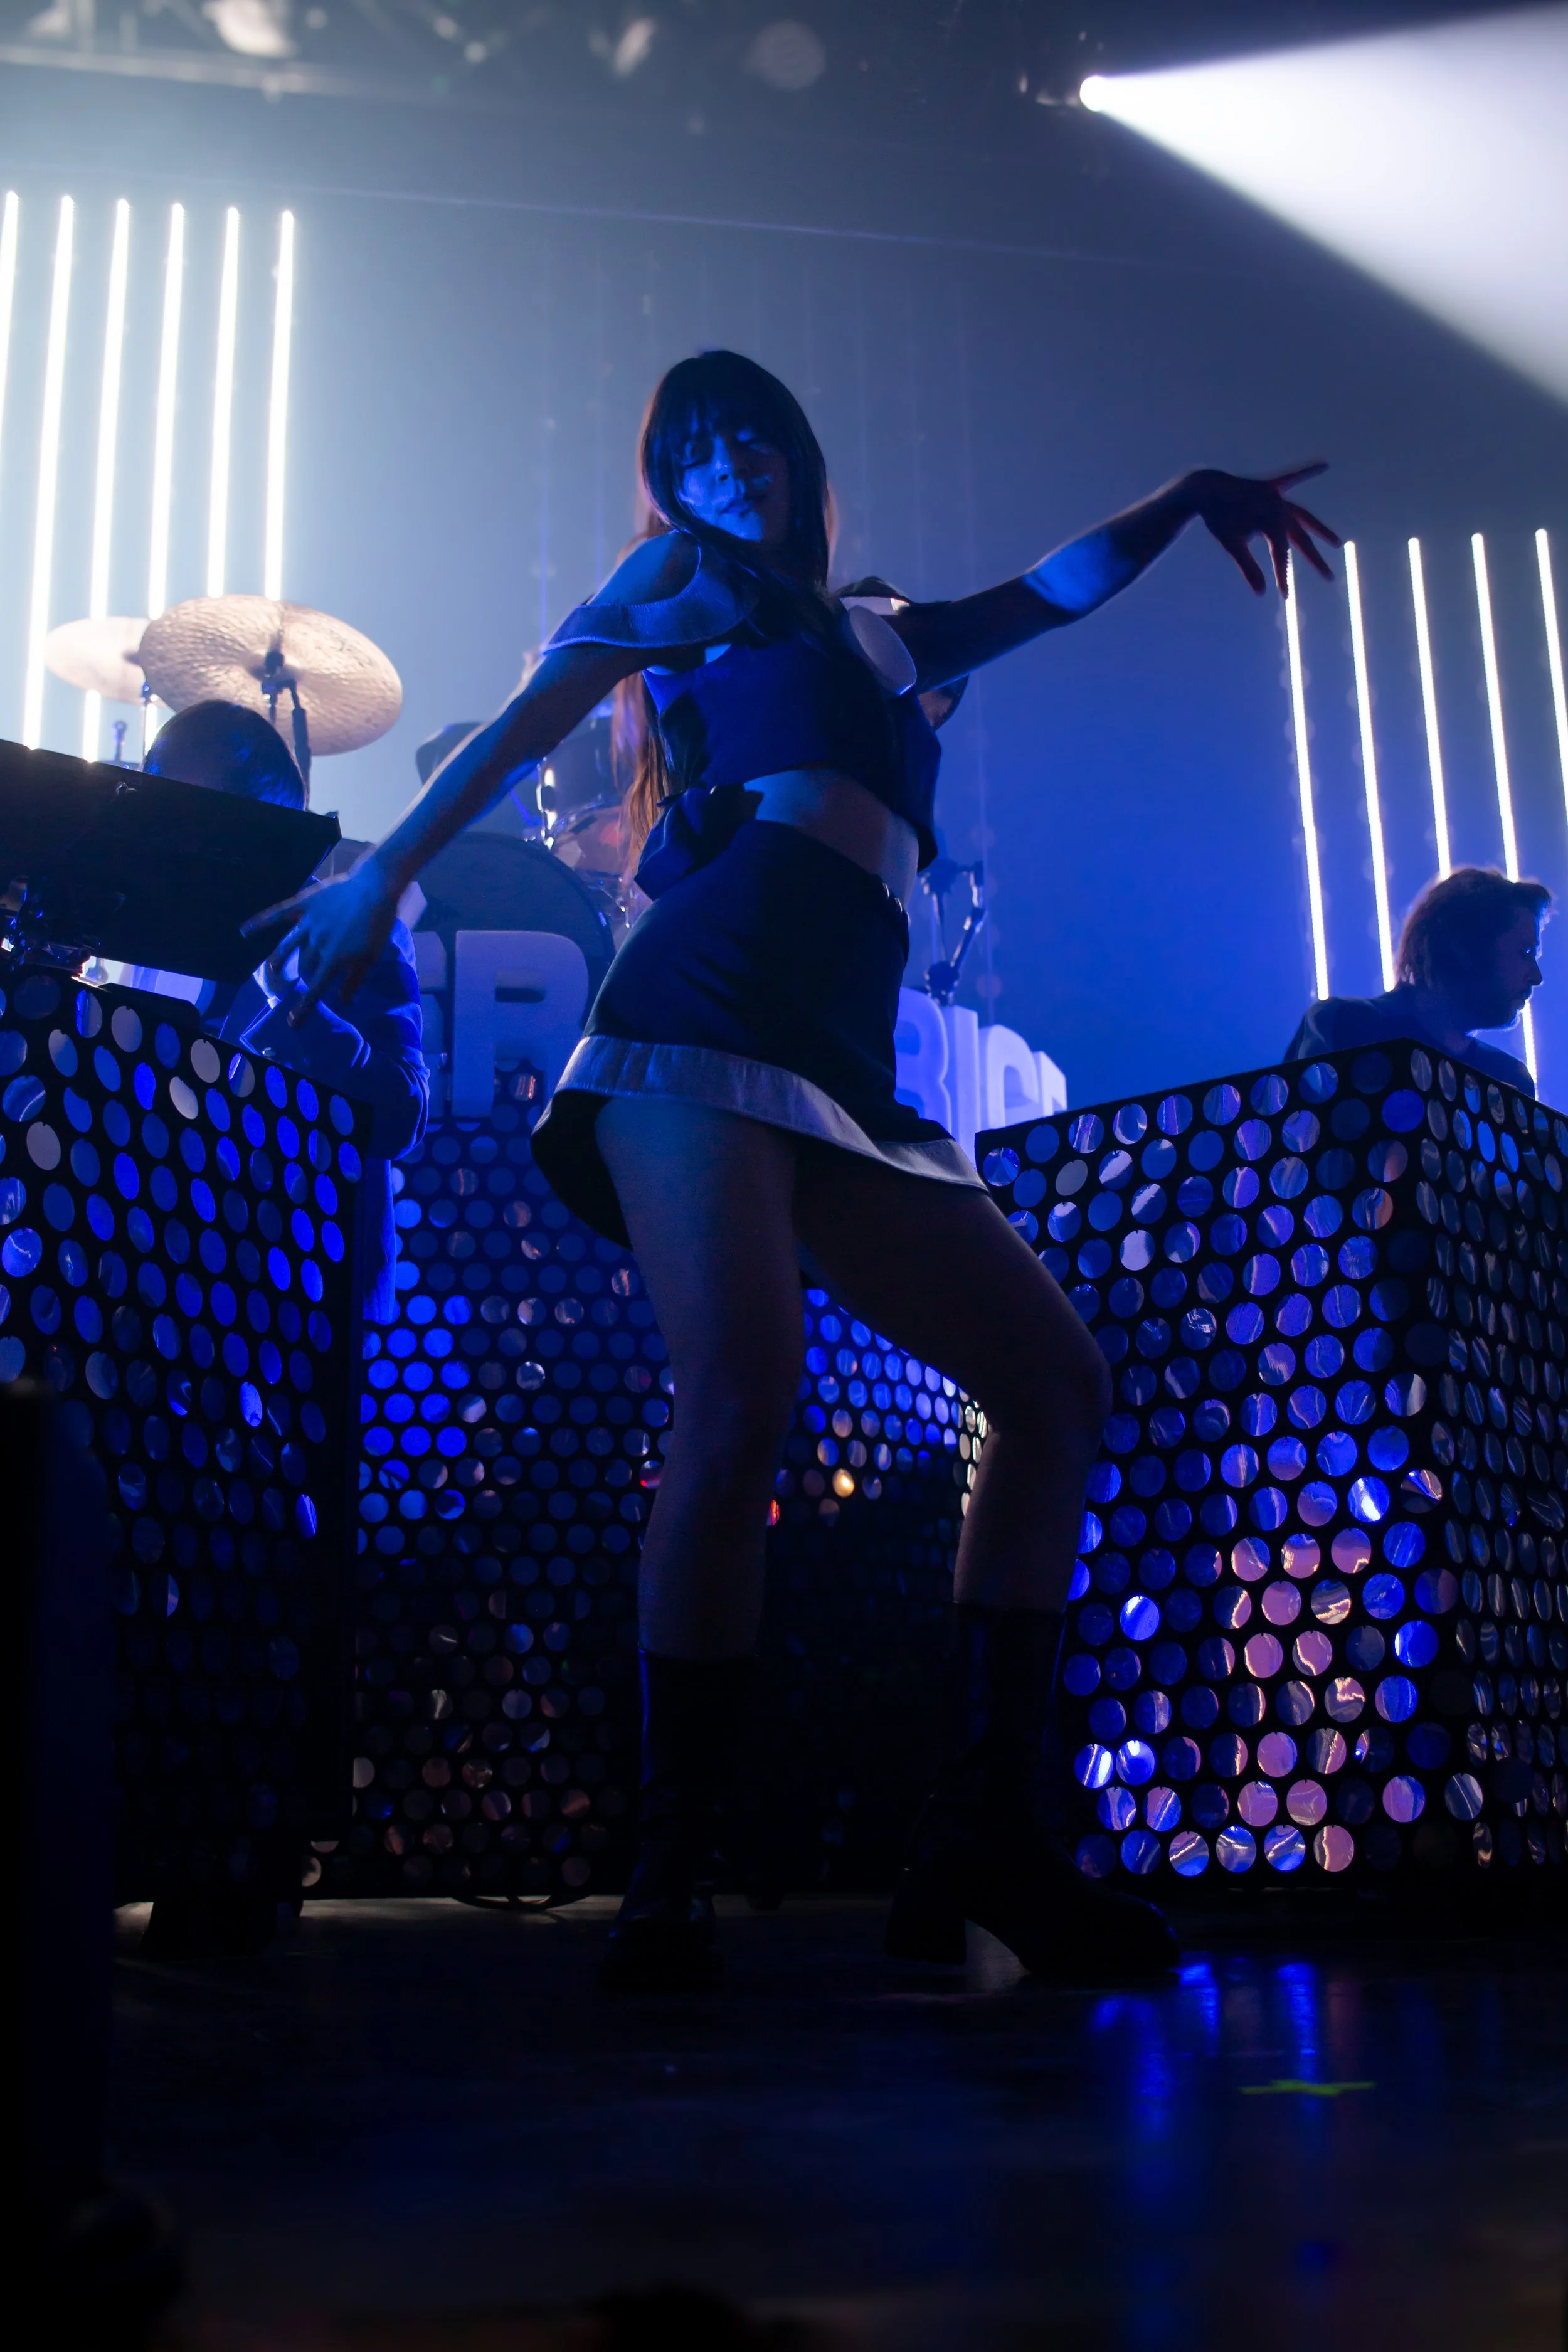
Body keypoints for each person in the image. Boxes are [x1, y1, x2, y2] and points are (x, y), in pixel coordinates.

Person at [251, 349, 1338, 1991]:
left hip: (845, 1078)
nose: (726, 457)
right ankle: (669, 1861)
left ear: (803, 459)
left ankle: (981, 1839)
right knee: (741, 1390)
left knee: (1052, 1384)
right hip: (693, 1020)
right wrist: (383, 876)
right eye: (690, 446)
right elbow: (529, 715)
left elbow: (1046, 591)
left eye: (750, 431)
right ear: (668, 491)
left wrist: (1185, 499)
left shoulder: (889, 639)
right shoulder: (688, 585)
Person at [142, 700, 428, 1322]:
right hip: (171, 1286)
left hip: (303, 1293)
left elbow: (400, 1114)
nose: (167, 835)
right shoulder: (151, 925)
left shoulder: (353, 923)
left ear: (257, 824)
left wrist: (291, 996)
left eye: (186, 815)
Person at [1286, 866, 1550, 1097]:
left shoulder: (1509, 1079)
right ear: (1467, 947)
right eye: (1525, 952)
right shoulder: (1342, 1026)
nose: (1536, 977)